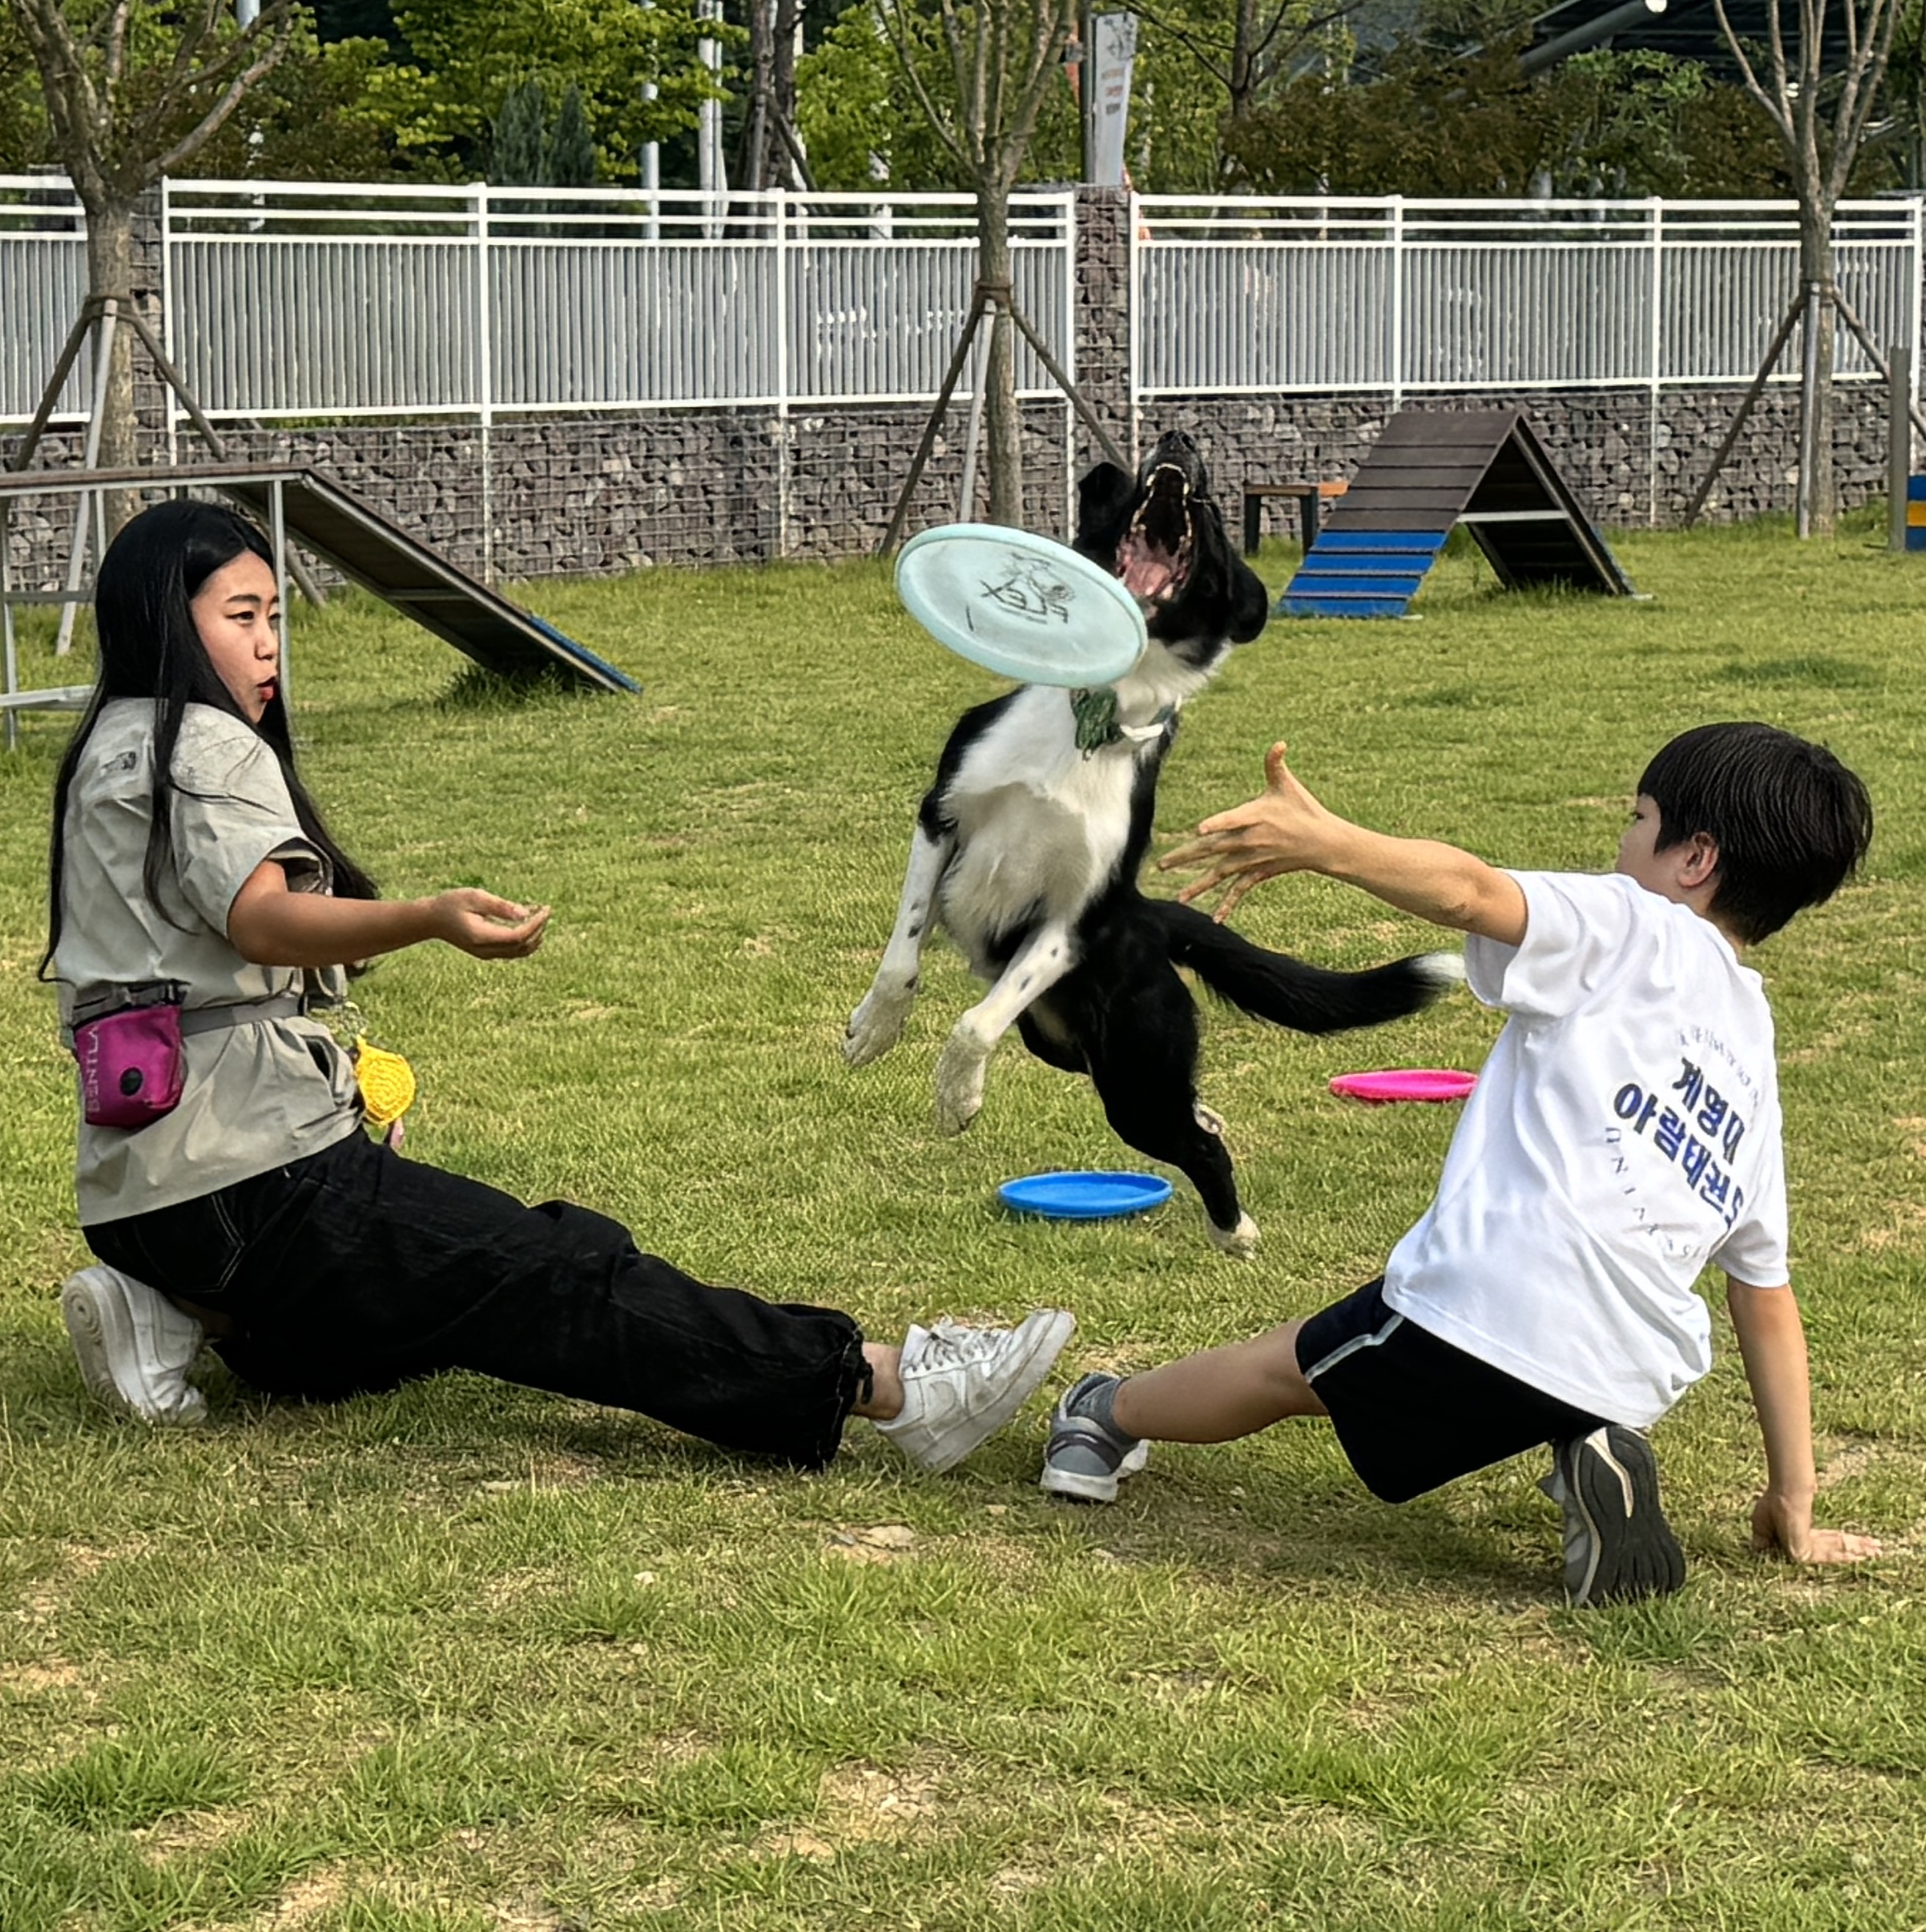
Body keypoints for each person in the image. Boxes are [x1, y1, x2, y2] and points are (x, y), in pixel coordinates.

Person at [44, 498, 1074, 1470]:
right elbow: (261, 918)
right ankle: (886, 1385)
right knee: (548, 1270)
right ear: (164, 622)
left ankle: (180, 1313)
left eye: (275, 614)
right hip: (250, 1182)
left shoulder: (102, 751)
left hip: (147, 1195)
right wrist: (432, 918)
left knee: (425, 1302)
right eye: (241, 616)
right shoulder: (202, 742)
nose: (271, 642)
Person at [1039, 731, 1883, 1605]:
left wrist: (1326, 844)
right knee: (1541, 1385)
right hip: (1633, 1364)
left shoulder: (1636, 925)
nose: (1621, 842)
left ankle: (1103, 1413)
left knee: (1286, 1372)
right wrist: (1793, 1493)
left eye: (1638, 821)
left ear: (1693, 858)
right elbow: (1763, 1290)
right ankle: (1589, 1441)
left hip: (1490, 1316)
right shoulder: (1750, 1050)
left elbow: (1473, 893)